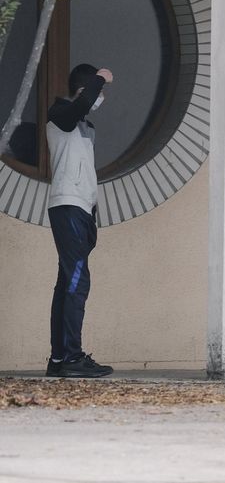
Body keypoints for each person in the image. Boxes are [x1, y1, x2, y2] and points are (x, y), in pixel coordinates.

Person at [45, 63, 114, 379]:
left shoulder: (86, 127)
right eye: (98, 92)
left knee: (66, 285)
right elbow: (81, 104)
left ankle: (60, 359)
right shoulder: (60, 115)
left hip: (81, 212)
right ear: (85, 90)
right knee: (77, 282)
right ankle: (72, 358)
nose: (102, 99)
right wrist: (101, 77)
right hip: (68, 207)